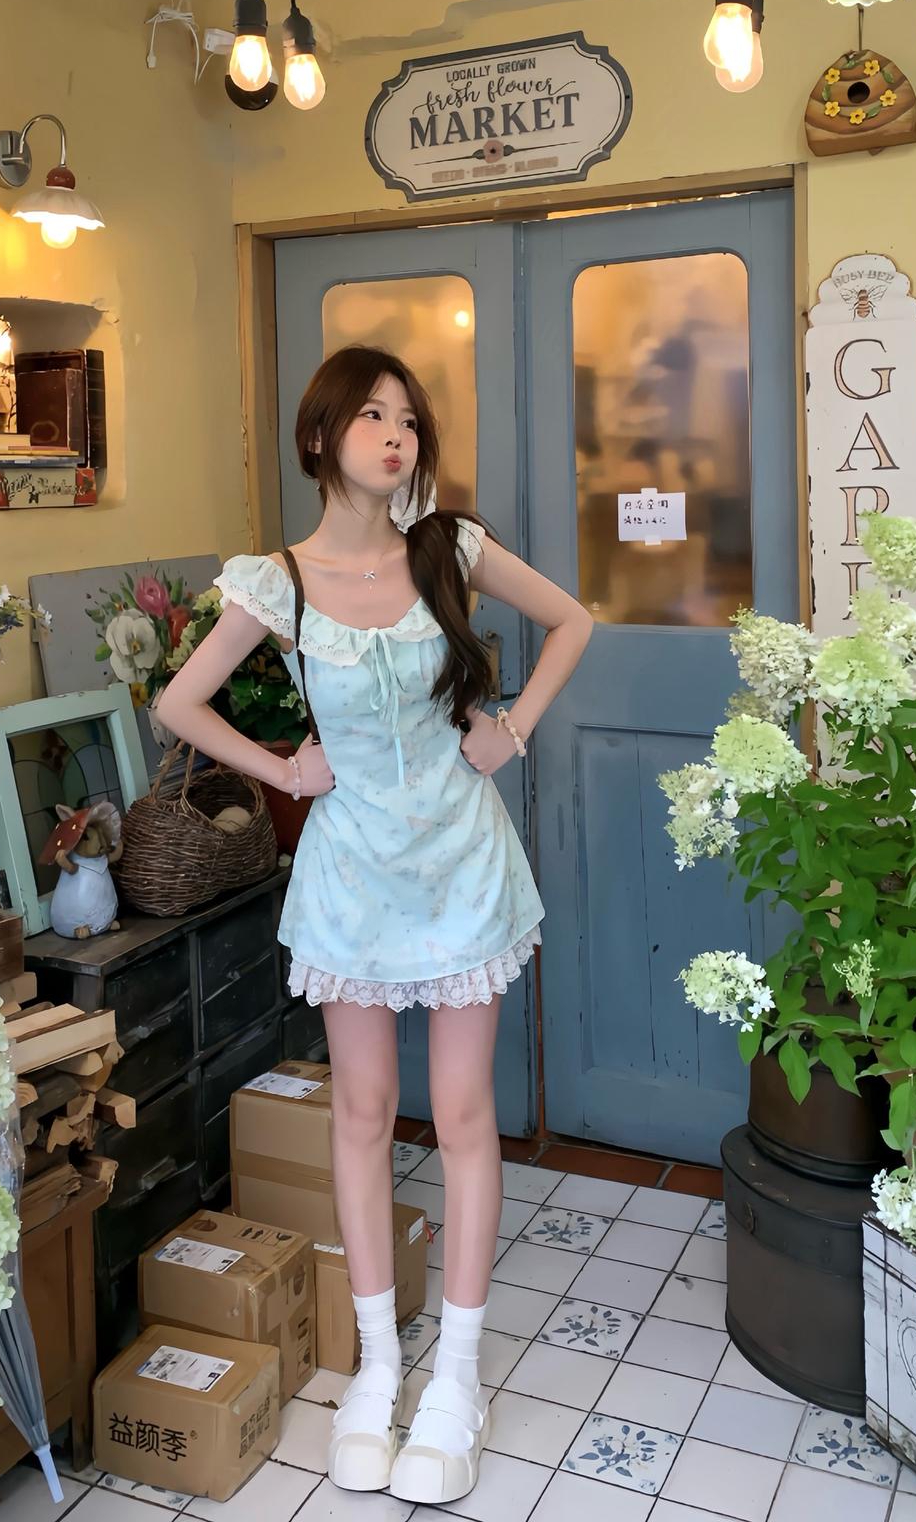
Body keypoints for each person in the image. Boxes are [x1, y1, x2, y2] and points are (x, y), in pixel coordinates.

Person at [156, 343, 593, 1505]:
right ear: (319, 438)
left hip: (462, 870)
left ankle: (459, 1377)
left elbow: (573, 621)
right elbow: (178, 700)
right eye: (370, 416)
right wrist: (283, 773)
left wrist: (512, 730)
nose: (395, 435)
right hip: (350, 881)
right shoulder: (277, 582)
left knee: (462, 1114)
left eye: (407, 418)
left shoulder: (449, 548)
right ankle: (377, 1367)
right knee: (359, 1115)